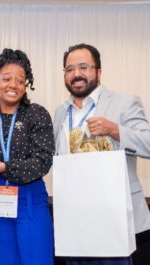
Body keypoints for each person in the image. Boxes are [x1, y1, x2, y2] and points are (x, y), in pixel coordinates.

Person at [53, 43, 150, 265]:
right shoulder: (60, 112)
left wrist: (115, 130)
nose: (76, 74)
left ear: (98, 71)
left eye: (84, 67)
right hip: (75, 221)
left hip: (115, 221)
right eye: (70, 69)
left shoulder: (124, 103)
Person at [0, 48, 55, 265]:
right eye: (7, 79)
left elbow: (42, 162)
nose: (13, 85)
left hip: (31, 202)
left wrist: (3, 167)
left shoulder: (36, 113)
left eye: (20, 80)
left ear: (26, 86)